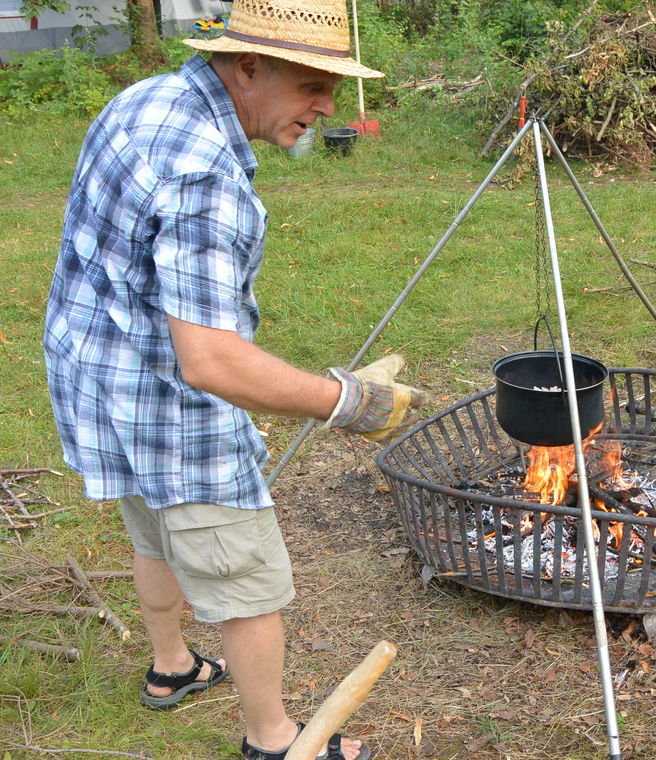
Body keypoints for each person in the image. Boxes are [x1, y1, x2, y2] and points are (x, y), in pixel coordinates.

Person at [42, 1, 427, 757]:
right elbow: (212, 362)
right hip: (166, 401)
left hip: (95, 375)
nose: (329, 107)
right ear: (248, 66)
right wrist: (350, 401)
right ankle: (275, 741)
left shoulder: (151, 97)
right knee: (247, 581)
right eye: (315, 83)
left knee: (152, 525)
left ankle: (172, 667)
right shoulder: (204, 176)